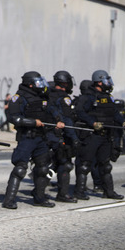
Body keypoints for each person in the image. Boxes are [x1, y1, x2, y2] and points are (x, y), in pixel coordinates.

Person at [3, 72, 64, 209]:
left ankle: (39, 198)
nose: (40, 85)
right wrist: (32, 122)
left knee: (42, 168)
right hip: (27, 137)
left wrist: (58, 120)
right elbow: (14, 118)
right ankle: (9, 200)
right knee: (20, 168)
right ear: (30, 83)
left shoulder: (42, 96)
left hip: (41, 137)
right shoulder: (19, 97)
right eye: (37, 82)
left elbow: (52, 110)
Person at [73, 70, 125, 200]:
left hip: (106, 136)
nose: (108, 83)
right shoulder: (88, 97)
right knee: (85, 164)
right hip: (92, 135)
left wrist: (124, 123)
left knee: (105, 165)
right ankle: (79, 192)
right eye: (106, 80)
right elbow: (80, 112)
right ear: (99, 82)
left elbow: (115, 113)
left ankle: (108, 192)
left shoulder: (108, 97)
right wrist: (92, 123)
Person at [47, 71, 79, 203]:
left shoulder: (47, 95)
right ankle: (62, 194)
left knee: (45, 163)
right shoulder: (64, 97)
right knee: (65, 164)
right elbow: (67, 119)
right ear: (65, 83)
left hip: (46, 134)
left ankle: (38, 190)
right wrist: (74, 138)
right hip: (59, 136)